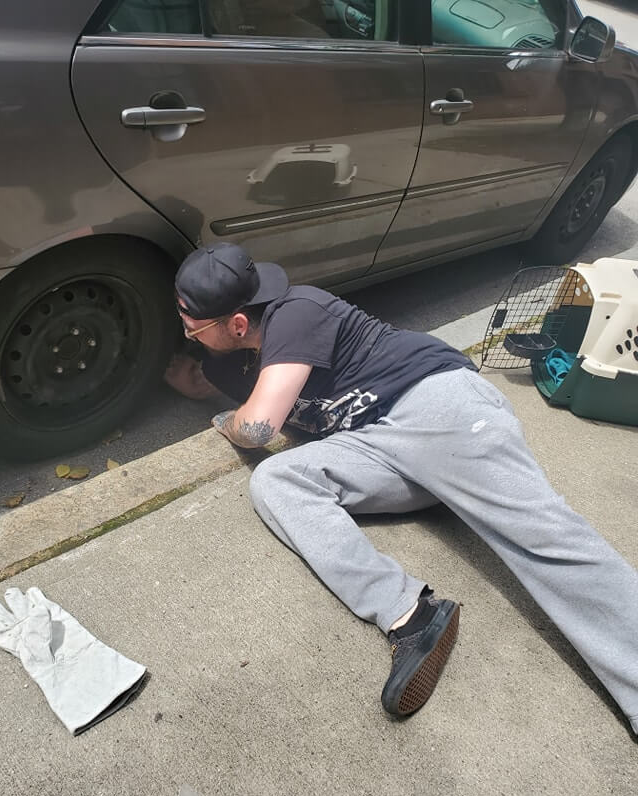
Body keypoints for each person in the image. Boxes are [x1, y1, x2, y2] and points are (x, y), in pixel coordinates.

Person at [165, 242, 638, 731]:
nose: (186, 334)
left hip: (432, 406)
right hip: (375, 446)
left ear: (238, 323)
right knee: (278, 480)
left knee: (543, 538)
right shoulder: (228, 363)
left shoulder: (297, 311)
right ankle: (411, 614)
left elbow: (258, 428)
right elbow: (260, 413)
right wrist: (201, 384)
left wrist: (228, 422)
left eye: (191, 327)